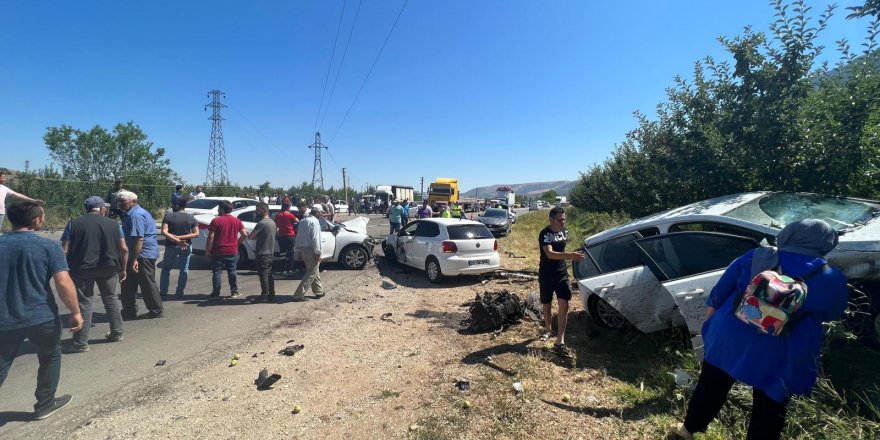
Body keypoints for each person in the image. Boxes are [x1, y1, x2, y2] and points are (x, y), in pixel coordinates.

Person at [671, 219, 848, 440]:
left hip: (731, 333)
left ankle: (687, 431)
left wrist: (710, 330)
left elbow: (718, 295)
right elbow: (833, 312)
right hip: (782, 348)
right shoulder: (832, 278)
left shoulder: (756, 256)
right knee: (771, 404)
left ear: (789, 234)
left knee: (711, 385)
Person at [0, 200, 83, 420]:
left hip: (4, 318)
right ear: (37, 220)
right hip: (41, 317)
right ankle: (45, 404)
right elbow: (63, 283)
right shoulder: (49, 246)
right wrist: (75, 312)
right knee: (50, 356)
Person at [60, 196, 128, 353]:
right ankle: (117, 333)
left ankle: (80, 342)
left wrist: (62, 270)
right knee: (111, 299)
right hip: (109, 267)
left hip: (83, 268)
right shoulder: (114, 224)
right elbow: (124, 249)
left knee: (84, 303)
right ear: (102, 208)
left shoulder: (73, 223)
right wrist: (123, 268)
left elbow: (65, 250)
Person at [538, 207, 585, 358]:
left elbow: (561, 250)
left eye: (564, 219)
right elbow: (550, 254)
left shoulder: (565, 232)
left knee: (564, 303)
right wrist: (570, 255)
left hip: (561, 274)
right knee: (546, 304)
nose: (563, 222)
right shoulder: (544, 234)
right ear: (551, 220)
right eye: (560, 219)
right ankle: (548, 329)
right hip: (546, 274)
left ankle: (560, 340)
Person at [118, 190, 163, 320]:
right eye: (119, 201)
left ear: (133, 201)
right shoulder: (131, 214)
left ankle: (155, 310)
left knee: (147, 283)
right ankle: (129, 310)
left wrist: (134, 259)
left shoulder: (136, 215)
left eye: (123, 201)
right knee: (127, 283)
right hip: (136, 254)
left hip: (142, 255)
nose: (120, 203)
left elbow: (139, 239)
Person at [204, 200, 247, 298]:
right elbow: (244, 234)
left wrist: (207, 250)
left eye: (219, 208)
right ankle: (234, 291)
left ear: (222, 209)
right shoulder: (236, 221)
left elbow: (210, 236)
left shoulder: (216, 221)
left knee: (217, 272)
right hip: (232, 251)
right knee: (232, 271)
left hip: (217, 251)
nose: (218, 210)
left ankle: (216, 293)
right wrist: (237, 243)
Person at [159, 199, 198, 298]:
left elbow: (164, 231)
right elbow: (196, 233)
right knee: (184, 269)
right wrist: (181, 239)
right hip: (186, 245)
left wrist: (176, 239)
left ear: (176, 205)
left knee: (166, 269)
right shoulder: (191, 218)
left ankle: (163, 291)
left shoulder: (168, 216)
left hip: (171, 246)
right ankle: (180, 291)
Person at [292, 205, 325, 301]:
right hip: (312, 250)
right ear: (317, 213)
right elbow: (316, 238)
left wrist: (298, 250)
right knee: (311, 272)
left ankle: (319, 291)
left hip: (304, 249)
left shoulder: (303, 221)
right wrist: (318, 252)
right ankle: (298, 294)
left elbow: (298, 237)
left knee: (315, 270)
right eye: (321, 212)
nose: (322, 214)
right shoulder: (315, 222)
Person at [248, 203, 277, 303]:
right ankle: (271, 295)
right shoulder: (272, 222)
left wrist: (250, 235)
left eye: (258, 210)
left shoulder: (261, 223)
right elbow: (265, 236)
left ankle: (264, 295)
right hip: (270, 252)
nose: (256, 212)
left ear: (264, 210)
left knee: (263, 275)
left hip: (262, 253)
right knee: (269, 274)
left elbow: (251, 236)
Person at [274, 200, 298, 277]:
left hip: (281, 235)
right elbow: (297, 221)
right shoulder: (290, 215)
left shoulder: (278, 215)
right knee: (291, 252)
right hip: (290, 235)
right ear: (288, 207)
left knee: (282, 253)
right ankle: (290, 269)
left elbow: (276, 224)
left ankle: (282, 269)